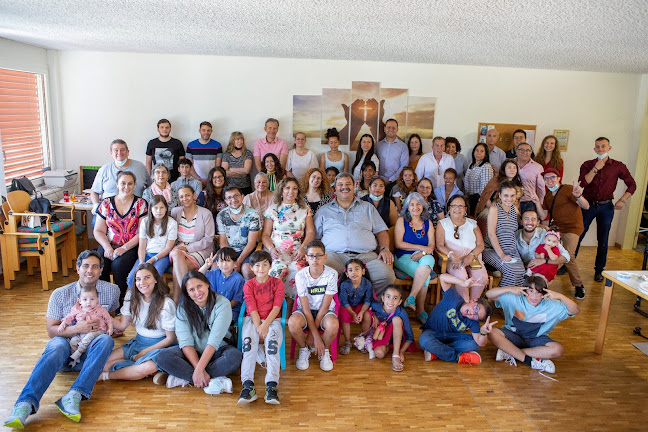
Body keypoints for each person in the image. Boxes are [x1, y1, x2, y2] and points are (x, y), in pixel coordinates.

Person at [3, 250, 119, 428]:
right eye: (85, 266)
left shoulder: (112, 290)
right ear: (77, 268)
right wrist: (77, 328)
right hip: (66, 345)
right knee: (56, 346)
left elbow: (109, 316)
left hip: (91, 352)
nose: (90, 270)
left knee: (106, 341)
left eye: (95, 266)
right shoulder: (59, 294)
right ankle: (24, 405)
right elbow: (51, 330)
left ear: (101, 270)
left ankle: (74, 395)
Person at [156, 271, 242, 390]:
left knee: (235, 357)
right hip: (193, 354)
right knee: (163, 356)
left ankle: (185, 378)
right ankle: (211, 379)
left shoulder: (222, 303)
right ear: (187, 292)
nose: (197, 292)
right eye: (191, 290)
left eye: (199, 286)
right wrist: (198, 369)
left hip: (217, 350)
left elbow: (214, 340)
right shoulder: (182, 308)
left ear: (207, 284)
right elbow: (185, 342)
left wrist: (199, 370)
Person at [315, 173, 396, 297]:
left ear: (354, 186)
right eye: (340, 184)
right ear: (335, 189)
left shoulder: (368, 208)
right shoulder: (323, 211)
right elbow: (315, 237)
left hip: (366, 257)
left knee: (386, 275)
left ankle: (369, 303)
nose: (344, 187)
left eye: (348, 184)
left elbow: (381, 231)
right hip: (335, 257)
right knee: (320, 272)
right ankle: (338, 305)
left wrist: (385, 248)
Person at [486, 275, 580, 375]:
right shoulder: (515, 298)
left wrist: (560, 296)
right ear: (526, 291)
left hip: (536, 338)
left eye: (538, 292)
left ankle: (510, 352)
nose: (534, 296)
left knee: (558, 349)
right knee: (492, 332)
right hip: (513, 335)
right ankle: (529, 360)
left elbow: (575, 310)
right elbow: (489, 294)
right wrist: (510, 289)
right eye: (531, 291)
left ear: (544, 293)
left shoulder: (551, 304)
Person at [99, 264, 176, 382]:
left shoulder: (166, 303)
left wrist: (145, 351)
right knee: (103, 364)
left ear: (156, 279)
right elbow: (121, 325)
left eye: (147, 277)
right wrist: (102, 314)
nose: (142, 282)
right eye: (138, 279)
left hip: (160, 345)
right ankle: (152, 370)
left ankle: (107, 376)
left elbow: (170, 339)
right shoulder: (131, 296)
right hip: (138, 342)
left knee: (147, 367)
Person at [576, 137, 636, 282]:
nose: (600, 149)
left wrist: (622, 200)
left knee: (603, 240)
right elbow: (583, 183)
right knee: (578, 236)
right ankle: (568, 264)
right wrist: (596, 168)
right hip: (588, 205)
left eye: (603, 146)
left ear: (609, 148)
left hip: (606, 207)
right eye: (597, 147)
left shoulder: (618, 166)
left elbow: (632, 185)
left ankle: (599, 270)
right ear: (594, 149)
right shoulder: (587, 164)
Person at [94, 170, 148, 307]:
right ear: (117, 184)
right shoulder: (106, 203)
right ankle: (105, 300)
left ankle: (119, 302)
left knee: (118, 266)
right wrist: (107, 247)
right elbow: (98, 230)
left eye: (130, 183)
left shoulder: (140, 204)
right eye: (123, 183)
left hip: (131, 245)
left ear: (134, 185)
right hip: (110, 244)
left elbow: (142, 233)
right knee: (100, 264)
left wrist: (124, 248)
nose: (126, 186)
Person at [238, 250, 285, 404]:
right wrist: (259, 327)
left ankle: (272, 387)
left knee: (271, 346)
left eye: (265, 264)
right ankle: (247, 386)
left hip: (272, 320)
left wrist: (265, 325)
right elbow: (251, 308)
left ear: (270, 265)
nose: (261, 268)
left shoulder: (277, 283)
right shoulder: (249, 284)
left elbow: (277, 307)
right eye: (257, 265)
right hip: (253, 320)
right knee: (248, 345)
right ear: (252, 268)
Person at [536, 168, 588, 298]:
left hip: (572, 228)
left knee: (568, 256)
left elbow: (586, 206)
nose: (549, 180)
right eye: (546, 178)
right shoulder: (548, 196)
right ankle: (542, 280)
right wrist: (537, 202)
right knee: (549, 251)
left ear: (558, 178)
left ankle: (578, 285)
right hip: (557, 229)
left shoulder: (568, 189)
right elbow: (544, 215)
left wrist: (578, 196)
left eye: (552, 177)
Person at [419, 274, 494, 364]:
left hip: (451, 337)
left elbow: (480, 343)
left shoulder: (472, 322)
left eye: (476, 316)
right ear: (473, 300)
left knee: (474, 344)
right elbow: (442, 277)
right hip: (433, 332)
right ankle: (458, 357)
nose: (473, 313)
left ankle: (436, 351)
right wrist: (463, 283)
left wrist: (483, 333)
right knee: (424, 339)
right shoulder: (454, 298)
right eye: (476, 308)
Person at [262, 178, 314, 304]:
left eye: (294, 188)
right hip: (277, 252)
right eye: (287, 188)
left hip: (297, 252)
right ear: (281, 191)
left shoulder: (304, 209)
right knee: (276, 271)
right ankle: (273, 309)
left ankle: (292, 310)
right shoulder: (273, 209)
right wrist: (271, 249)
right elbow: (265, 235)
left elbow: (311, 232)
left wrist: (303, 247)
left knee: (298, 274)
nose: (291, 191)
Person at [289, 240, 339, 371]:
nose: (314, 259)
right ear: (306, 257)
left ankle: (324, 350)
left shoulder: (332, 274)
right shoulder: (300, 275)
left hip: (324, 310)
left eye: (318, 255)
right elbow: (305, 309)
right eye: (311, 256)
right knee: (293, 323)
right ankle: (304, 349)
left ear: (325, 257)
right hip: (305, 310)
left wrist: (313, 334)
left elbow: (325, 306)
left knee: (333, 324)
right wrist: (315, 335)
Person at [436, 194, 489, 299]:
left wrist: (471, 256)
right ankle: (463, 305)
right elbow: (440, 245)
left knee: (482, 277)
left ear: (465, 209)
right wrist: (452, 255)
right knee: (462, 277)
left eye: (461, 206)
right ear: (449, 208)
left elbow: (480, 245)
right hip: (453, 258)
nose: (457, 208)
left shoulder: (472, 223)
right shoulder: (443, 223)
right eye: (454, 205)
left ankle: (473, 304)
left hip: (473, 257)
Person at [393, 192, 435, 323]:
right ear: (407, 207)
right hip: (403, 256)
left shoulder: (428, 222)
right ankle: (420, 310)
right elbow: (398, 244)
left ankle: (411, 297)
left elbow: (431, 246)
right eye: (412, 204)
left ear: (423, 206)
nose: (415, 207)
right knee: (426, 274)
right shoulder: (402, 220)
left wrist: (422, 253)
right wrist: (422, 249)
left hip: (423, 257)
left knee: (428, 260)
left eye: (418, 204)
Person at [170, 185, 216, 303]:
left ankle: (178, 300)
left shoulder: (205, 213)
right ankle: (187, 296)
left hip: (201, 249)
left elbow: (208, 239)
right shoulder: (175, 212)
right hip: (179, 248)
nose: (184, 198)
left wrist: (188, 248)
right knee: (176, 254)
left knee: (177, 267)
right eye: (181, 196)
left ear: (194, 196)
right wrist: (182, 248)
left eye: (187, 195)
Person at [126, 195, 178, 288]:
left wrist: (153, 259)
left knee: (152, 276)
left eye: (162, 207)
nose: (159, 211)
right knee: (132, 278)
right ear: (150, 209)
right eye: (156, 208)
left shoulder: (172, 223)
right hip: (147, 254)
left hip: (162, 256)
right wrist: (142, 262)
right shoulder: (145, 222)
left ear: (166, 209)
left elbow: (168, 247)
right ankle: (138, 300)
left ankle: (153, 300)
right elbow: (142, 246)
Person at [481, 181, 526, 287]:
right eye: (506, 195)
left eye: (512, 196)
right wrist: (501, 254)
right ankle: (500, 300)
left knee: (521, 273)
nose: (509, 199)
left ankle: (514, 301)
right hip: (492, 250)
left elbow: (523, 223)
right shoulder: (494, 209)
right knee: (510, 271)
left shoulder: (514, 209)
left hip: (511, 249)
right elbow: (491, 234)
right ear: (500, 195)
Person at [90, 139, 150, 217]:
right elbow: (94, 191)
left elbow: (150, 187)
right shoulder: (104, 169)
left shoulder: (140, 167)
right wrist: (96, 205)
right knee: (96, 224)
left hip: (136, 211)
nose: (119, 153)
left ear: (128, 152)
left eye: (122, 150)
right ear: (111, 153)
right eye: (116, 150)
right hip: (108, 212)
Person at [58, 286, 114, 367]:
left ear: (97, 299)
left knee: (89, 336)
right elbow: (69, 317)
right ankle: (76, 359)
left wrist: (110, 328)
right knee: (73, 341)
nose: (88, 302)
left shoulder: (101, 309)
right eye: (85, 299)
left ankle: (78, 353)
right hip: (81, 333)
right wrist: (63, 324)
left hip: (98, 331)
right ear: (80, 301)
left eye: (92, 299)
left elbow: (108, 319)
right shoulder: (77, 310)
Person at [516, 207, 570, 284]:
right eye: (526, 219)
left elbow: (566, 256)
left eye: (533, 219)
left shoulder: (546, 235)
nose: (530, 222)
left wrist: (545, 260)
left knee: (537, 286)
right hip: (523, 271)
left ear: (538, 223)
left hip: (542, 271)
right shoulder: (515, 236)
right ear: (521, 221)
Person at [216, 186, 261, 279]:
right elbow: (223, 241)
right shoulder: (221, 215)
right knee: (215, 268)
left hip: (247, 250)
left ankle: (249, 293)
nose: (233, 199)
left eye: (236, 196)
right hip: (228, 251)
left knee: (247, 270)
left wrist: (239, 261)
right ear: (225, 201)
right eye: (229, 198)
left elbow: (251, 243)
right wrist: (229, 261)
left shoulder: (253, 214)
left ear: (242, 196)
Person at [369, 285, 414, 372]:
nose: (391, 301)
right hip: (382, 336)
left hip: (397, 338)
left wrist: (401, 352)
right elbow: (368, 307)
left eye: (395, 298)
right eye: (388, 296)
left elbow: (409, 337)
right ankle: (389, 347)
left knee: (396, 319)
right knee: (379, 354)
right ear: (382, 298)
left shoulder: (401, 313)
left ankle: (395, 355)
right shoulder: (377, 306)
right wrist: (374, 316)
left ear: (400, 301)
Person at [338, 258, 374, 355]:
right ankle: (347, 341)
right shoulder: (344, 285)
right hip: (348, 307)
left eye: (357, 269)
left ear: (363, 271)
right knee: (343, 314)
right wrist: (353, 313)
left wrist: (361, 312)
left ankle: (363, 339)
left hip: (361, 306)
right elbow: (344, 301)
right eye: (350, 270)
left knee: (367, 315)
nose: (354, 272)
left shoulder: (367, 284)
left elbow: (368, 300)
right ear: (347, 274)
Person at [199, 247, 245, 322]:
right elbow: (198, 275)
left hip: (230, 309)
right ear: (217, 263)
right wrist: (206, 265)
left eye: (228, 261)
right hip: (213, 308)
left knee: (220, 320)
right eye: (221, 261)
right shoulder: (214, 273)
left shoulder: (239, 279)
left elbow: (236, 300)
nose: (224, 264)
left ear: (234, 263)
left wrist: (221, 309)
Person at [185, 121, 222, 187]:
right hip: (195, 181)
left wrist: (209, 179)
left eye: (208, 130)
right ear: (199, 131)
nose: (206, 132)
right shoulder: (190, 145)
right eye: (203, 130)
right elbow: (189, 166)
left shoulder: (217, 145)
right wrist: (198, 179)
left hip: (212, 181)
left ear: (211, 131)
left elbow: (217, 167)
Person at [464, 143, 494, 216]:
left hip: (478, 200)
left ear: (485, 154)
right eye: (477, 150)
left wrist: (481, 203)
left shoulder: (486, 166)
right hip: (469, 198)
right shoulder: (471, 164)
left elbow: (486, 188)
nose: (478, 153)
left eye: (482, 151)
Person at [375, 118, 409, 185]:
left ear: (397, 130)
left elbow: (404, 166)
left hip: (396, 182)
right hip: (378, 182)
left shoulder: (403, 146)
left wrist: (390, 179)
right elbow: (374, 162)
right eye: (389, 127)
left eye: (393, 128)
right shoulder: (378, 145)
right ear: (384, 129)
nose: (391, 130)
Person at [219, 131, 253, 195]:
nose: (240, 141)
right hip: (230, 187)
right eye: (237, 139)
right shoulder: (226, 155)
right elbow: (224, 172)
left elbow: (246, 171)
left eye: (241, 139)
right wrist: (241, 174)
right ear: (232, 141)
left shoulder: (248, 153)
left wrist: (231, 169)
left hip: (245, 187)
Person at [516, 142, 545, 214]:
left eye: (528, 150)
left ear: (531, 152)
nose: (524, 152)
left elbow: (541, 188)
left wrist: (540, 204)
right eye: (521, 150)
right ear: (516, 151)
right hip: (510, 202)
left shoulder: (538, 167)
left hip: (529, 203)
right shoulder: (509, 163)